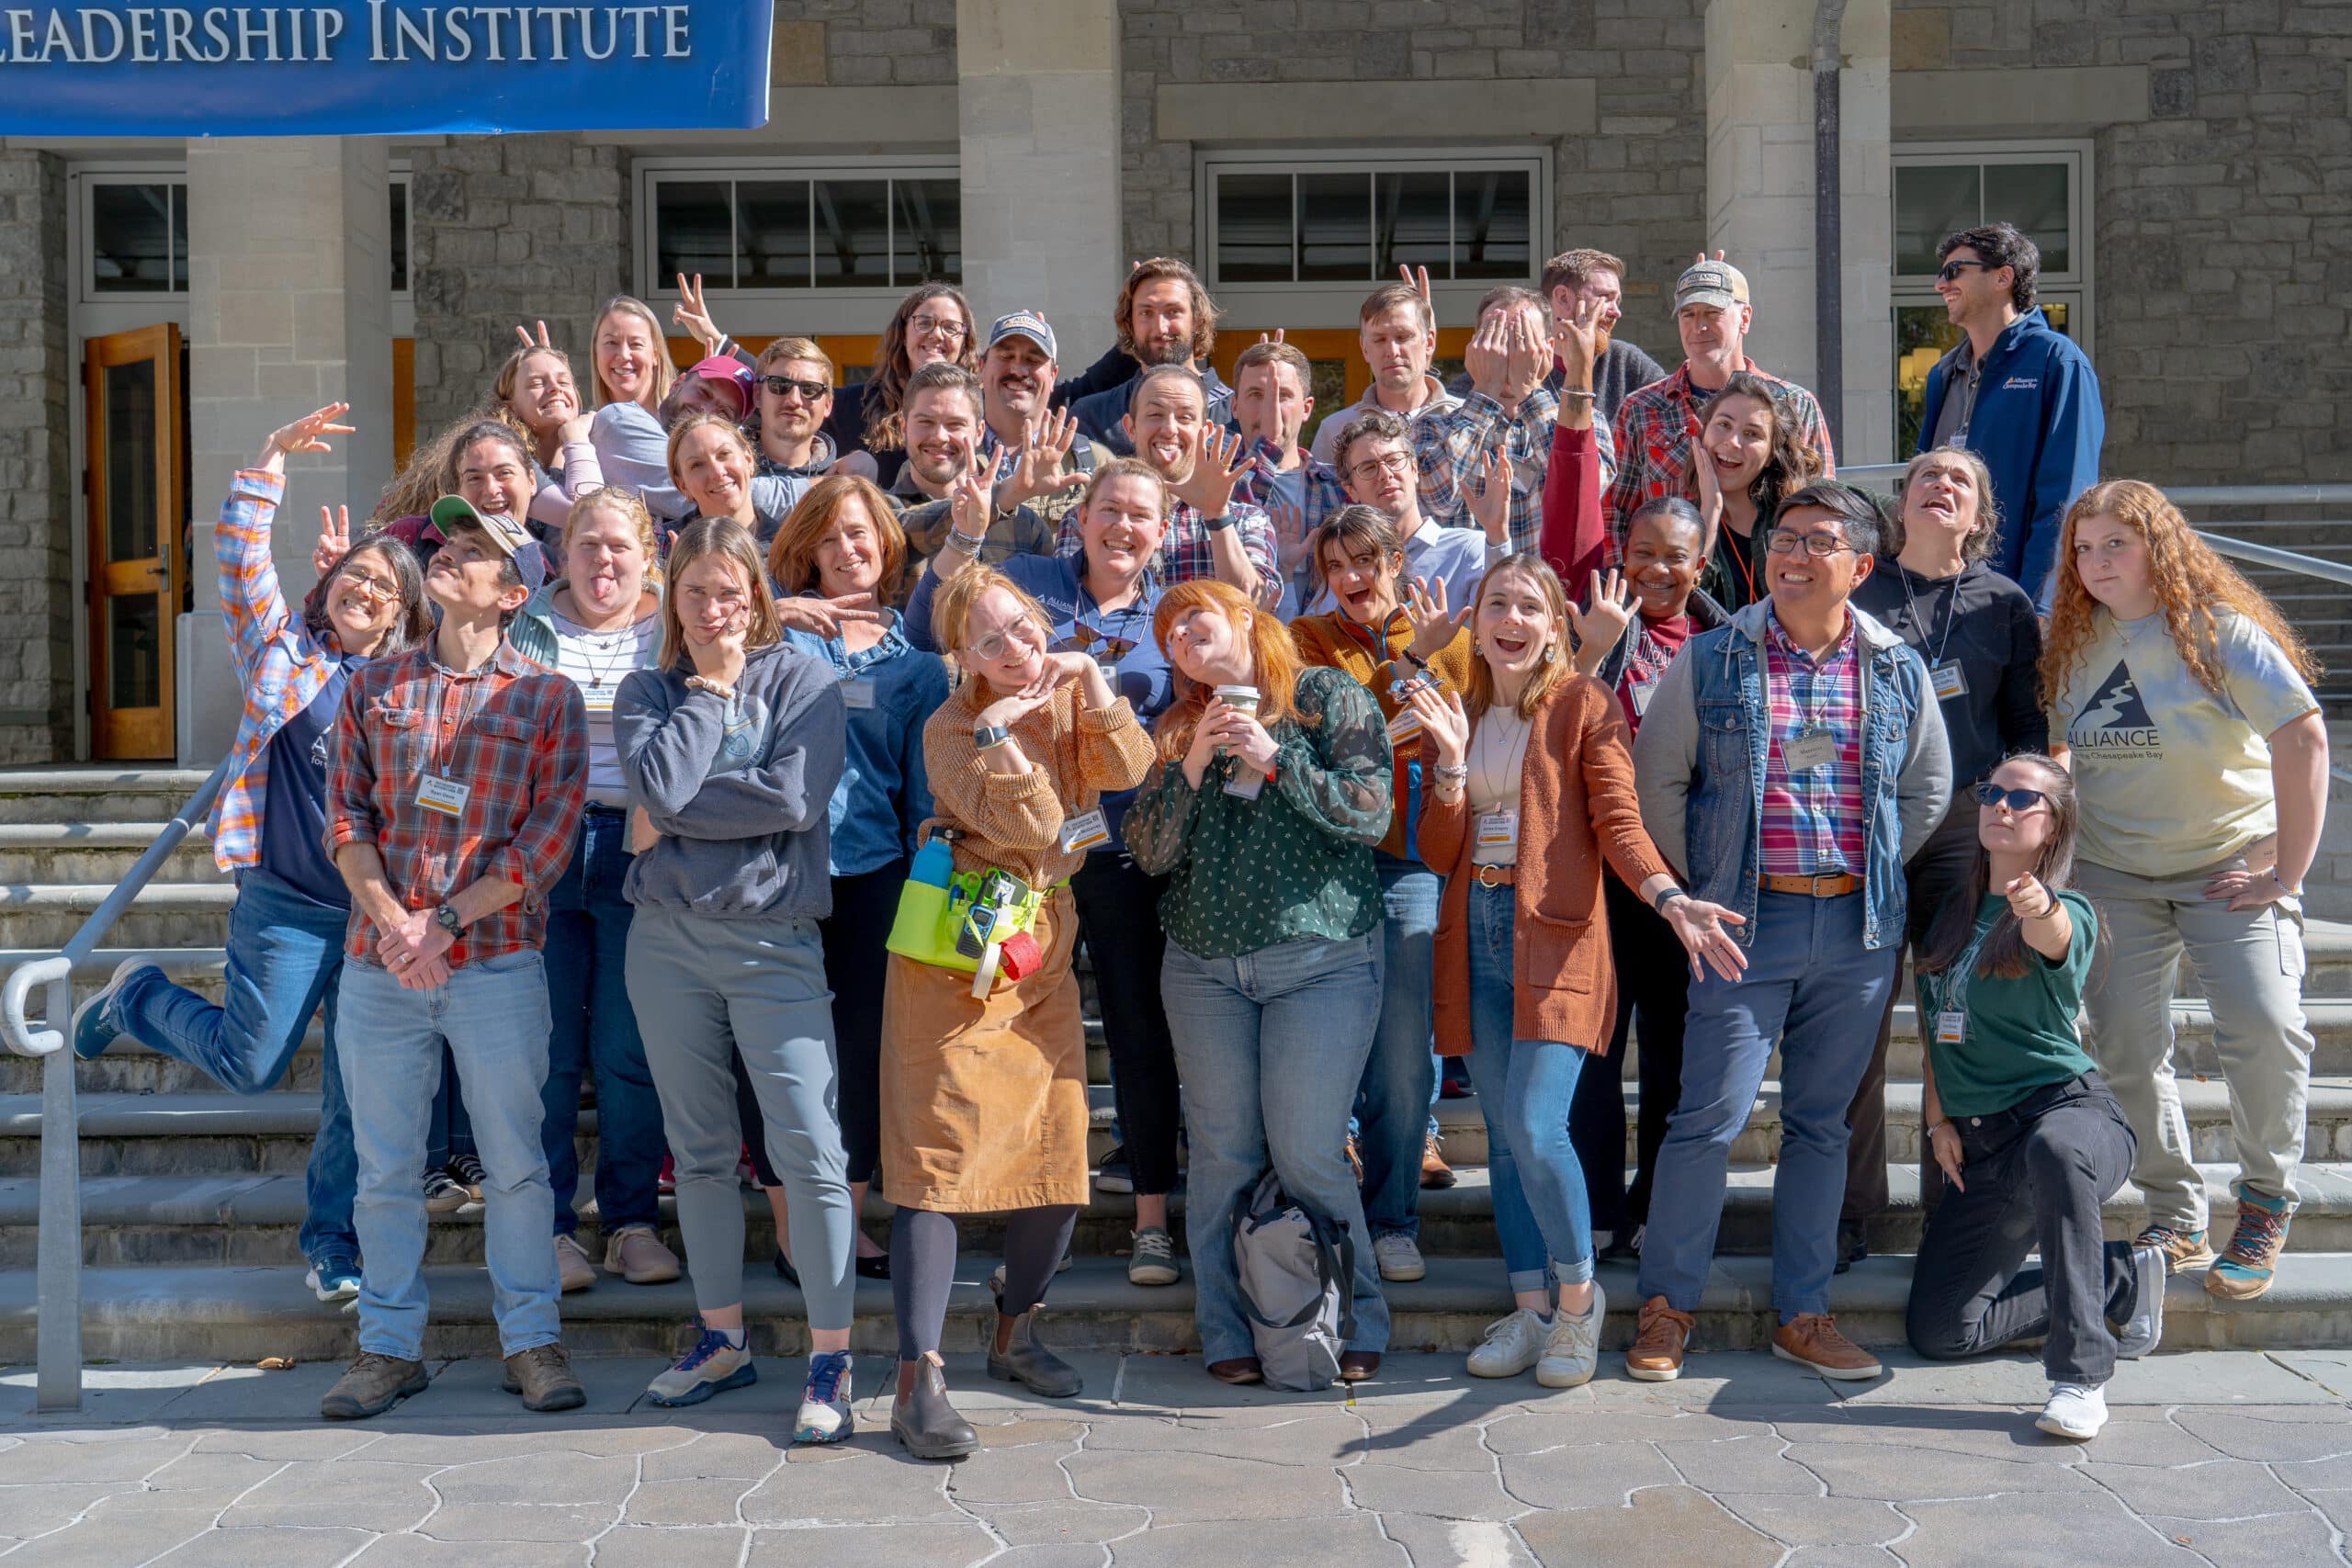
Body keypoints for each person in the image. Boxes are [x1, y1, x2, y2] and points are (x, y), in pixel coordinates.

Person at [73, 403, 428, 1307]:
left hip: (373, 918)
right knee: (251, 1064)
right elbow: (238, 565)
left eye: (384, 585)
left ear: (399, 614)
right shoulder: (282, 653)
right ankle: (141, 994)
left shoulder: (410, 688)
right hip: (285, 904)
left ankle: (332, 1244)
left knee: (354, 1095)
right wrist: (268, 458)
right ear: (331, 583)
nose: (364, 588)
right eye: (356, 573)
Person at [1628, 482, 1951, 1382]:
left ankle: (1803, 1312)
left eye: (1817, 540)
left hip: (1854, 929)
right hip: (1744, 922)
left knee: (1818, 1127)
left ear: (1861, 565)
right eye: (1784, 539)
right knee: (1707, 1117)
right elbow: (1659, 781)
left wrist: (1872, 869)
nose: (1794, 555)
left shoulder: (1894, 668)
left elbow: (1924, 790)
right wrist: (1702, 886)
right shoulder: (1713, 659)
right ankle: (1666, 1305)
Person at [1407, 553, 1742, 1385]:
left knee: (1534, 1123)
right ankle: (1529, 1310)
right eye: (1496, 605)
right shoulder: (1462, 705)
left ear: (1556, 625)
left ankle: (1578, 1303)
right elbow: (1435, 849)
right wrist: (1448, 765)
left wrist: (1668, 898)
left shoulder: (1584, 704)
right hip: (1470, 930)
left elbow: (1619, 822)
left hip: (1554, 936)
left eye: (1530, 605)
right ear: (1476, 623)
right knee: (1507, 1142)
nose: (1511, 619)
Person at [316, 495, 589, 1421]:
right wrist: (399, 921)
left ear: (511, 592)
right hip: (379, 962)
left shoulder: (546, 698)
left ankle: (532, 1343)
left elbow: (547, 843)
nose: (443, 555)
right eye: (443, 544)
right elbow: (347, 822)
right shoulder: (373, 686)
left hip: (498, 962)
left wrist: (447, 924)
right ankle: (388, 1349)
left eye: (470, 552)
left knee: (515, 1165)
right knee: (385, 1171)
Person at [880, 565, 1154, 1458]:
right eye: (989, 639)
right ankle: (917, 1380)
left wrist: (1094, 683)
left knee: (1057, 1151)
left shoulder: (1065, 692)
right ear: (960, 653)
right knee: (935, 1161)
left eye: (1022, 628)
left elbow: (1132, 767)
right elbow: (1038, 824)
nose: (1015, 648)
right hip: (961, 958)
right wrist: (1001, 733)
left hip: (1041, 953)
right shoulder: (950, 726)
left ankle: (1015, 1329)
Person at [2046, 479, 2328, 1302]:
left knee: (2267, 1026)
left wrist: (2288, 868)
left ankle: (2267, 1199)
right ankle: (2177, 1209)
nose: (2097, 562)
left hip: (2226, 869)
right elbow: (2064, 746)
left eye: (2116, 544)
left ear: (2158, 546)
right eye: (2084, 547)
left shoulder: (2219, 632)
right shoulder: (2071, 638)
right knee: (2128, 1045)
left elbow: (2304, 735)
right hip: (2113, 873)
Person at [909, 458, 1184, 1285]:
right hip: (1018, 872)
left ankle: (1149, 1216)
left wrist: (1096, 683)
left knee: (1139, 1031)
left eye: (1141, 514)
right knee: (997, 1038)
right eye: (1108, 509)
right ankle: (999, 1206)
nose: (1122, 526)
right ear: (1082, 516)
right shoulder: (1029, 585)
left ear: (1162, 531)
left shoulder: (1165, 613)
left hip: (1125, 851)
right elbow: (938, 617)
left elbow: (1131, 759)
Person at [613, 517, 856, 1440]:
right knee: (702, 1151)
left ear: (757, 594)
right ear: (671, 601)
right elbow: (660, 790)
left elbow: (796, 798)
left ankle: (829, 1358)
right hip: (666, 941)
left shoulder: (801, 676)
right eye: (693, 593)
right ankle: (721, 1339)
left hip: (772, 939)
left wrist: (677, 812)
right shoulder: (647, 689)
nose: (713, 609)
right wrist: (708, 697)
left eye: (729, 591)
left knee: (810, 1150)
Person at [1124, 579, 1396, 1384]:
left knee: (1310, 1150)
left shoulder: (1323, 695)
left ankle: (1358, 1314)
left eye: (1193, 619)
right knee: (1221, 1154)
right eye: (1168, 636)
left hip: (1321, 961)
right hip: (1204, 967)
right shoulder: (1179, 728)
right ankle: (1228, 1329)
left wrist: (1276, 760)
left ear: (1244, 615)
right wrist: (1198, 757)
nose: (1181, 639)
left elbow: (1369, 811)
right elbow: (1149, 852)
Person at [1903, 754, 2167, 1441]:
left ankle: (2080, 1376)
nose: (2003, 805)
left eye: (2025, 798)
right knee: (1940, 1330)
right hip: (1986, 1145)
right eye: (1994, 792)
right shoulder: (1950, 917)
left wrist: (2037, 904)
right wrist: (1937, 1120)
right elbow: (1936, 1028)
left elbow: (2057, 934)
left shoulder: (2062, 907)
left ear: (2054, 826)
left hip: (2069, 1114)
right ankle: (2116, 1275)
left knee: (2055, 1146)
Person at [1841, 446, 2047, 1269]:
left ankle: (1950, 1207)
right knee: (1853, 1018)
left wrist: (2025, 832)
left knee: (1954, 1021)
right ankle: (1849, 1209)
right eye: (1927, 475)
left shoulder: (2005, 602)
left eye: (1961, 480)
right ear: (1902, 501)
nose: (1941, 486)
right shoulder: (1859, 586)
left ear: (1979, 512)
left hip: (1965, 821)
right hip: (1864, 818)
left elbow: (2029, 728)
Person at [769, 475, 951, 1283]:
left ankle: (844, 1218)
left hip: (874, 874)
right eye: (834, 536)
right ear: (807, 549)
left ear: (887, 548)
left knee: (864, 1053)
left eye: (864, 536)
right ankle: (787, 1228)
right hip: (776, 873)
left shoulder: (914, 668)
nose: (850, 550)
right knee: (778, 1050)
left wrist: (927, 898)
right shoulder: (774, 643)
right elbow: (690, 627)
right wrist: (775, 612)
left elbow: (920, 795)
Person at [1291, 505, 1477, 1271]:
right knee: (1318, 1045)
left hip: (1411, 864)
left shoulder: (1453, 642)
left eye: (1364, 561)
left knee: (1404, 1050)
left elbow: (1457, 731)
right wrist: (1405, 670)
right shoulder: (1306, 641)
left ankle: (1393, 1219)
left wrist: (1424, 661)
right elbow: (1341, 730)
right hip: (1324, 863)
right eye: (1335, 566)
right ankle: (1320, 1220)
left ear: (1397, 560)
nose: (1350, 579)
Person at [507, 489, 681, 1294]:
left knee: (628, 1046)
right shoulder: (527, 624)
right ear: (560, 553)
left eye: (619, 545)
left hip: (640, 845)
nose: (603, 561)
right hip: (544, 845)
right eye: (587, 545)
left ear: (649, 552)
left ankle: (630, 1219)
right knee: (545, 1050)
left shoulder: (670, 625)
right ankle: (549, 1227)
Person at [1557, 497, 1730, 1257]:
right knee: (1594, 1052)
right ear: (1620, 554)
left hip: (1686, 883)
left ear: (1702, 564)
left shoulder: (1729, 642)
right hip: (1599, 876)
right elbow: (1545, 724)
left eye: (1676, 555)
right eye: (1644, 551)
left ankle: (1657, 1201)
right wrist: (1593, 653)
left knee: (1674, 1054)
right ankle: (1597, 1212)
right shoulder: (1588, 627)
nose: (1658, 569)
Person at [1603, 257, 1836, 565]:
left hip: (1773, 585)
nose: (1698, 327)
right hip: (1672, 589)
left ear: (1745, 318)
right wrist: (1626, 587)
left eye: (1712, 313)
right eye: (1688, 314)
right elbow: (1615, 514)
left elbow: (1826, 508)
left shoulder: (1793, 404)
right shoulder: (1642, 409)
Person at [1917, 222, 2105, 600]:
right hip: (1942, 595)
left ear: (2003, 277)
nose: (1941, 284)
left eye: (1955, 271)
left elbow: (2066, 497)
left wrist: (2042, 603)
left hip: (2015, 598)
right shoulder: (1944, 375)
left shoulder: (2057, 361)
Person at [1055, 363, 1279, 608]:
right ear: (1130, 428)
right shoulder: (1087, 519)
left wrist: (1217, 517)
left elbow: (1260, 607)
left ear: (1206, 431)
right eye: (1155, 415)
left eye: (1185, 417)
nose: (1170, 429)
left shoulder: (1246, 519)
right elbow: (1065, 604)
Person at [893, 361, 1060, 598]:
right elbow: (899, 530)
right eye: (925, 422)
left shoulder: (1025, 527)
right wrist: (1003, 497)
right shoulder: (874, 512)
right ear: (903, 426)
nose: (940, 436)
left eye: (955, 424)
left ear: (980, 432)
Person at [1416, 288, 1560, 552]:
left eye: (1522, 340)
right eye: (1497, 340)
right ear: (1476, 349)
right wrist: (1483, 392)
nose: (1508, 355)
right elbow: (1440, 498)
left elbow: (1580, 490)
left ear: (1548, 349)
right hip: (1471, 590)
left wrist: (1529, 390)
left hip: (1550, 590)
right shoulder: (1432, 427)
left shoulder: (1583, 424)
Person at [1322, 407, 1498, 613]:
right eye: (1369, 467)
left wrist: (1498, 536)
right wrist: (1288, 576)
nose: (1385, 474)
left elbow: (1496, 620)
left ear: (1414, 469)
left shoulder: (1468, 550)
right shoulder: (1345, 572)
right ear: (1350, 490)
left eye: (1394, 460)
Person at [1687, 374, 1828, 613]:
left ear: (1772, 453)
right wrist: (1710, 511)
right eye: (1723, 425)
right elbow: (1687, 610)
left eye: (1752, 434)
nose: (1732, 442)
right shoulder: (1679, 520)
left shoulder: (1798, 522)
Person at [1069, 257, 1236, 456]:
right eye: (1146, 313)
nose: (1160, 328)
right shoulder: (1093, 416)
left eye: (1173, 312)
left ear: (1198, 321)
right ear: (1130, 325)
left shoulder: (1238, 413)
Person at [1231, 339, 1349, 615]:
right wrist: (1268, 444)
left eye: (1281, 395)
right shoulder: (1216, 486)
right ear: (1235, 406)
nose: (1268, 407)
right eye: (1256, 395)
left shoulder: (1339, 487)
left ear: (1307, 408)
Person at [823, 282, 978, 491]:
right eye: (924, 323)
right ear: (903, 334)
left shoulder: (981, 409)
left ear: (965, 343)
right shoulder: (847, 406)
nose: (937, 334)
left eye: (950, 327)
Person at [976, 310, 1108, 534]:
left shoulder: (1095, 463)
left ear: (1053, 375)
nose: (1018, 369)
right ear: (980, 367)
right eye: (1006, 357)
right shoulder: (948, 454)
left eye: (1033, 360)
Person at [1309, 279, 1464, 466]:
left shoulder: (1465, 420)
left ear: (1429, 342)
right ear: (1364, 348)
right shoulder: (1335, 430)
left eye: (1403, 337)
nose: (1392, 350)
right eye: (1379, 339)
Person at [1539, 249, 1669, 425]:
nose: (1616, 312)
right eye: (1605, 297)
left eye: (1618, 301)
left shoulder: (1626, 362)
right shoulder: (1525, 364)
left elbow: (1678, 406)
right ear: (1563, 297)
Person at [582, 295, 684, 518]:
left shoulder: (688, 420)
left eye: (636, 344)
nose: (624, 355)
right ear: (596, 353)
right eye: (611, 343)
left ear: (655, 355)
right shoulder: (585, 432)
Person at [493, 340, 597, 540]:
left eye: (564, 382)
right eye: (537, 383)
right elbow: (588, 515)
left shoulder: (602, 439)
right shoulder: (506, 456)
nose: (555, 388)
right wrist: (575, 437)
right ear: (510, 408)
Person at [666, 410, 799, 547]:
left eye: (724, 454)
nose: (717, 472)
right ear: (682, 485)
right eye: (697, 465)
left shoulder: (792, 551)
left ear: (748, 459)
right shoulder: (660, 550)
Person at [750, 337, 841, 482]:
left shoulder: (844, 482)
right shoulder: (725, 472)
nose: (794, 400)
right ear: (758, 395)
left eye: (810, 389)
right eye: (780, 385)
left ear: (828, 406)